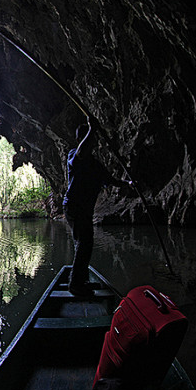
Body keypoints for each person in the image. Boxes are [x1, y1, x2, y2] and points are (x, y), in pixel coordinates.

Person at [63, 123, 132, 296]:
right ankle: (75, 285)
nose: (92, 143)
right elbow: (81, 153)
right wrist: (92, 129)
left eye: (93, 140)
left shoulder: (95, 165)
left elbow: (110, 180)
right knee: (84, 243)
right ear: (80, 140)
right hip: (73, 206)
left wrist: (128, 184)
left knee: (85, 243)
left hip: (85, 209)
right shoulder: (74, 155)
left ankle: (80, 280)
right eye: (89, 139)